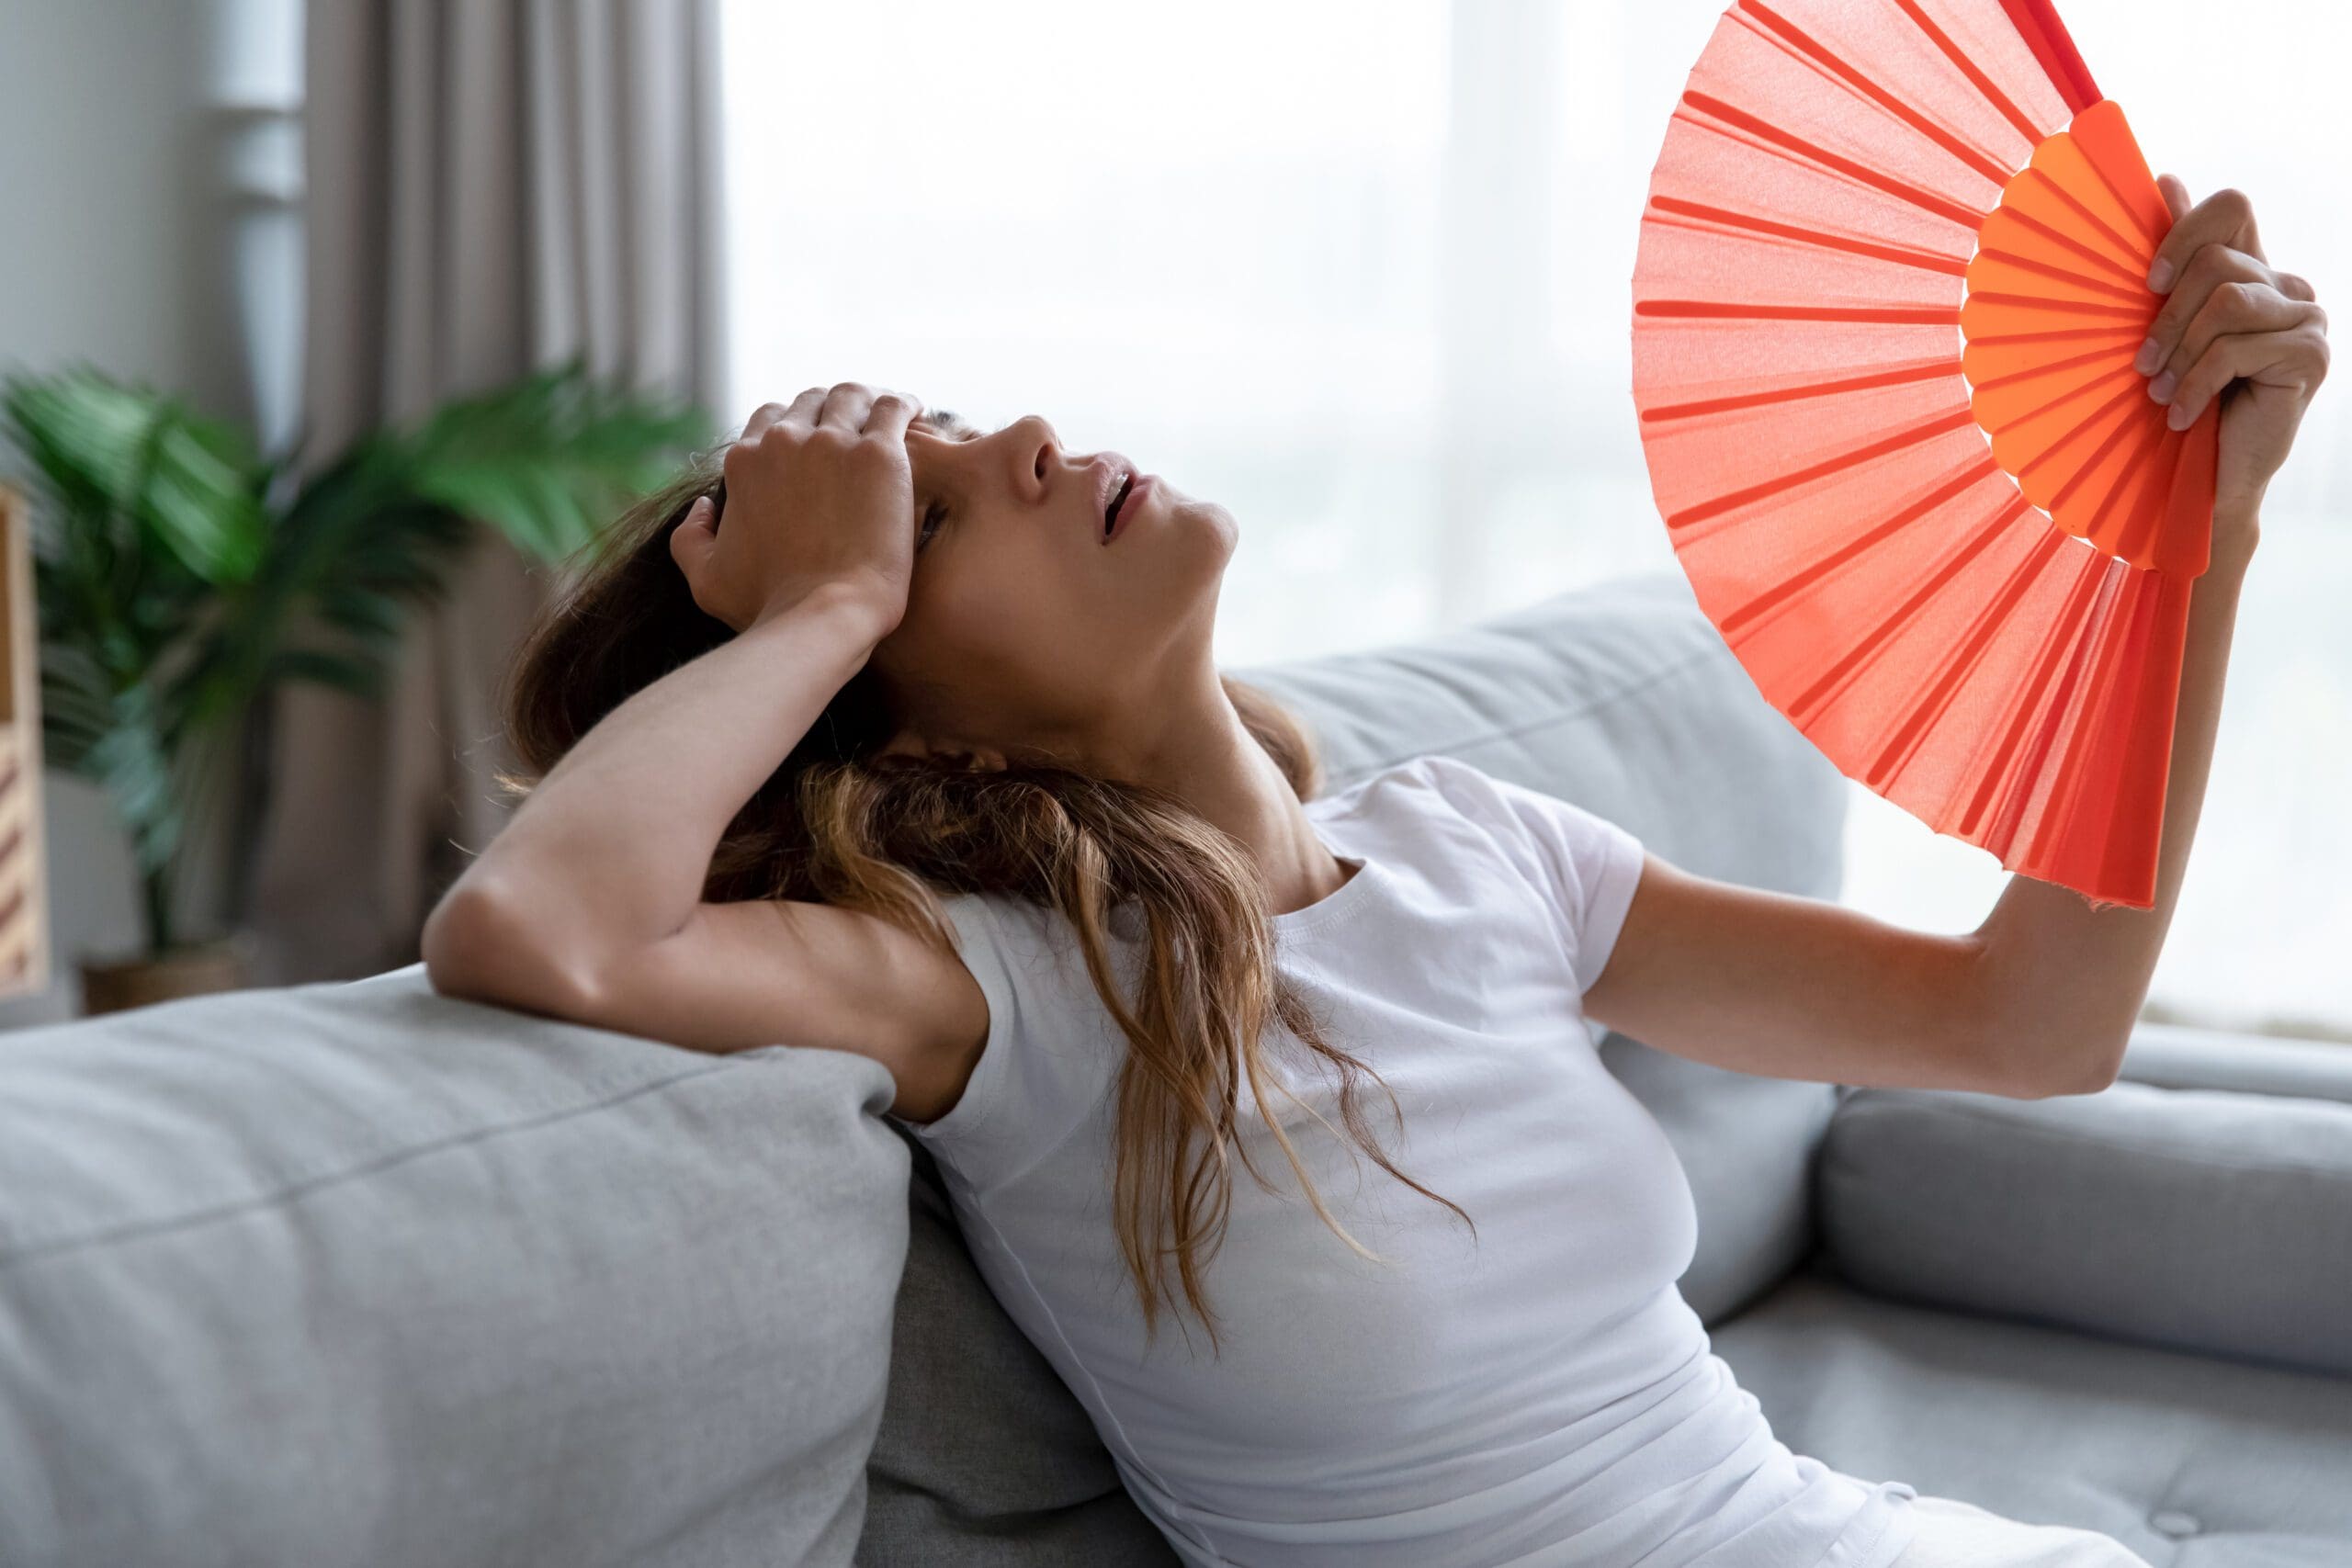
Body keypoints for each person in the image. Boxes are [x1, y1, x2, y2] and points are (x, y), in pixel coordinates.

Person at [422, 174, 2324, 1567]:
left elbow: (2027, 1023)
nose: (1016, 435)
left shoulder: (1475, 844)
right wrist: (822, 595)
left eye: (954, 436)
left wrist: (2197, 533)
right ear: (910, 726)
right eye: (931, 509)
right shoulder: (983, 976)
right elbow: (539, 926)